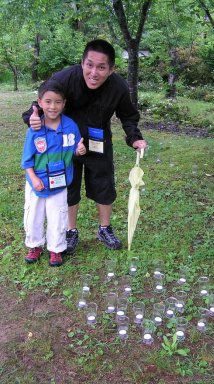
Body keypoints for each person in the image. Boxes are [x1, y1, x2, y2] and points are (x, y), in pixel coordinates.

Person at [23, 39, 147, 253]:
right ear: (82, 63)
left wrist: (134, 137)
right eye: (89, 65)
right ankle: (71, 231)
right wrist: (33, 117)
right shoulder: (65, 78)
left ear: (111, 69)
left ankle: (104, 228)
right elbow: (43, 101)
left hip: (99, 141)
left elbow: (128, 116)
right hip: (65, 144)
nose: (94, 72)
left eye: (101, 67)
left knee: (104, 184)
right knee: (68, 185)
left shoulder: (118, 86)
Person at [21, 81, 86, 266]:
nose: (53, 106)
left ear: (64, 103)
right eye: (48, 101)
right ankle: (34, 245)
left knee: (58, 216)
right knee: (34, 215)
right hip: (37, 183)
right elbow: (26, 161)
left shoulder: (70, 126)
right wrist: (34, 179)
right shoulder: (35, 130)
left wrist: (78, 151)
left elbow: (73, 148)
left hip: (60, 183)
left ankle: (56, 248)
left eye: (58, 102)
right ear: (40, 102)